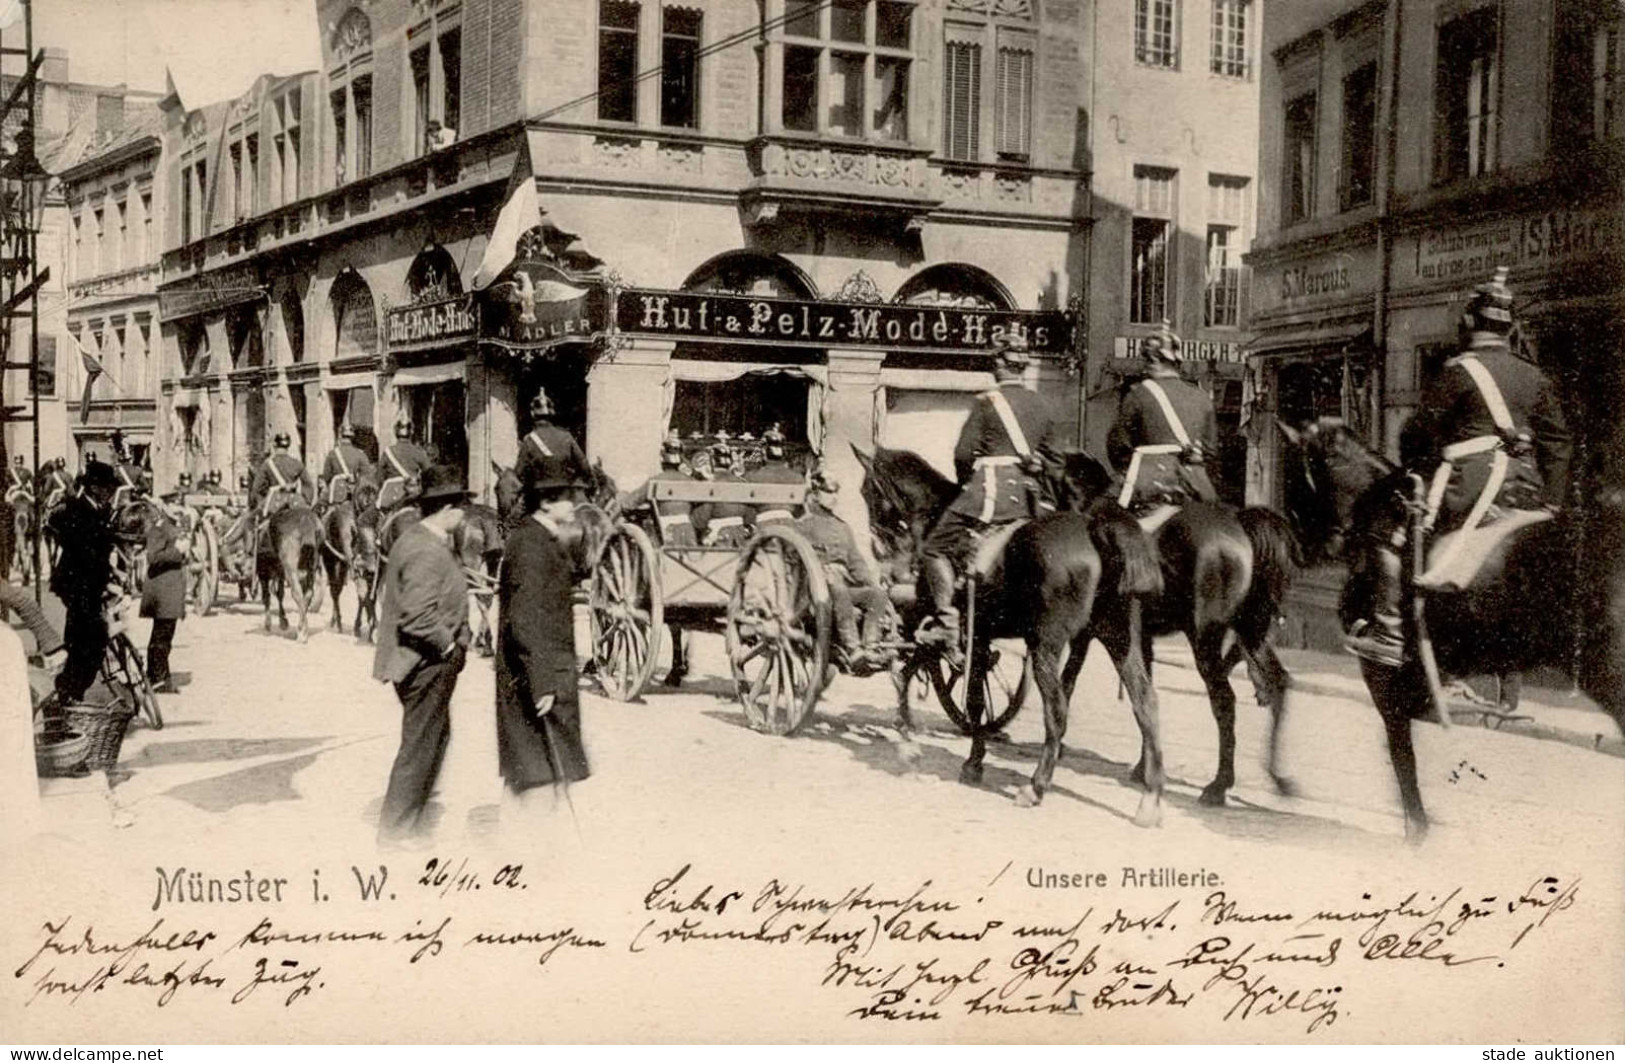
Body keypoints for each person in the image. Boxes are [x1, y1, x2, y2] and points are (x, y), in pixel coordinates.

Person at [1345, 267, 1573, 667]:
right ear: (1510, 327)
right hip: (1524, 488)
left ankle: (1389, 630)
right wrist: (1552, 503)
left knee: (1390, 535)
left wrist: (1418, 471)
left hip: (1469, 484)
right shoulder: (1533, 377)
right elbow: (1558, 443)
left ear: (1469, 322)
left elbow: (1417, 435)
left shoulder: (1456, 373)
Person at [916, 333, 1059, 666]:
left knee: (934, 549)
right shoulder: (1042, 404)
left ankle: (946, 622)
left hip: (990, 491)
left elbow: (964, 454)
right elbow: (1055, 461)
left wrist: (968, 484)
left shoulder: (986, 402)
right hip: (1027, 498)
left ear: (998, 364)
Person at [371, 465, 473, 843]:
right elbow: (417, 617)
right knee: (419, 746)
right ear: (447, 509)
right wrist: (449, 644)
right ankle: (395, 833)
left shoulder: (419, 540)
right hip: (425, 662)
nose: (465, 514)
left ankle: (408, 822)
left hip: (423, 662)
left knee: (435, 737)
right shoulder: (424, 550)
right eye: (462, 506)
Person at [496, 463, 591, 812]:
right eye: (568, 497)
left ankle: (528, 845)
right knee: (536, 773)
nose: (574, 504)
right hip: (536, 677)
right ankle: (527, 854)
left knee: (540, 771)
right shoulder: (531, 544)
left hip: (547, 673)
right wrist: (543, 684)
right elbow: (526, 620)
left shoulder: (541, 538)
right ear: (547, 502)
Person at [1106, 320, 1219, 526]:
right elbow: (1210, 451)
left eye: (1146, 359)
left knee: (1105, 523)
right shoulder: (1202, 397)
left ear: (1153, 360)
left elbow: (1118, 446)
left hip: (1150, 484)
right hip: (1197, 486)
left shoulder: (1138, 394)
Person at [797, 471, 895, 674]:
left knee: (877, 594)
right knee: (837, 586)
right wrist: (820, 570)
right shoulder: (802, 525)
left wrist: (870, 583)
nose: (834, 497)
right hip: (813, 590)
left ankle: (870, 644)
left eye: (836, 493)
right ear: (815, 494)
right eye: (828, 492)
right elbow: (794, 558)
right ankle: (853, 648)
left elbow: (855, 562)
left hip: (840, 587)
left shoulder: (843, 528)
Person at [45, 460, 118, 707]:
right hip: (78, 584)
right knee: (89, 641)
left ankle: (70, 691)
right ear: (95, 488)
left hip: (89, 583)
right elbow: (84, 553)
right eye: (107, 487)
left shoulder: (97, 509)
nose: (111, 493)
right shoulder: (76, 509)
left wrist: (111, 573)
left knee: (87, 641)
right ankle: (68, 692)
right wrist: (105, 579)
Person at [142, 481, 191, 695]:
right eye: (173, 503)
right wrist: (178, 553)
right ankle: (157, 680)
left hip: (170, 589)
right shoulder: (160, 528)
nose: (177, 506)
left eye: (179, 502)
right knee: (161, 638)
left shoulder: (173, 527)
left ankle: (160, 677)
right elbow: (153, 557)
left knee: (164, 637)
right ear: (165, 505)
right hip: (162, 590)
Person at [617, 432, 698, 546]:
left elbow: (628, 504)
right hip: (689, 532)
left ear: (662, 458)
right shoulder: (691, 481)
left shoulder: (656, 481)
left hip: (664, 532)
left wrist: (622, 496)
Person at [515, 389, 591, 504]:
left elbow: (518, 474)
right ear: (552, 413)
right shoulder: (566, 436)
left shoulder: (529, 440)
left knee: (515, 519)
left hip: (539, 499)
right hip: (567, 495)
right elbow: (585, 467)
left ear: (532, 414)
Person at [693, 437, 755, 547]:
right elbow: (750, 515)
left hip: (717, 538)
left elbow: (701, 519)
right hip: (740, 538)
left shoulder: (710, 483)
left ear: (712, 461)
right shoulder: (743, 483)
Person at [747, 424, 803, 527]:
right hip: (790, 527)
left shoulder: (752, 477)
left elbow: (746, 511)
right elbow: (800, 511)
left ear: (764, 452)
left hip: (763, 527)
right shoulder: (797, 478)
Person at [378, 422, 432, 512]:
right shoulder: (419, 452)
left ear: (395, 433)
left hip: (391, 494)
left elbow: (379, 476)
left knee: (370, 518)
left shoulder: (388, 452)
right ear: (411, 433)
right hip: (413, 493)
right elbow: (429, 473)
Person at [322, 423, 373, 506]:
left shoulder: (333, 454)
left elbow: (326, 476)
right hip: (355, 494)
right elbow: (366, 477)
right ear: (353, 438)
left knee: (321, 512)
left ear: (341, 436)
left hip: (336, 494)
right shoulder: (360, 454)